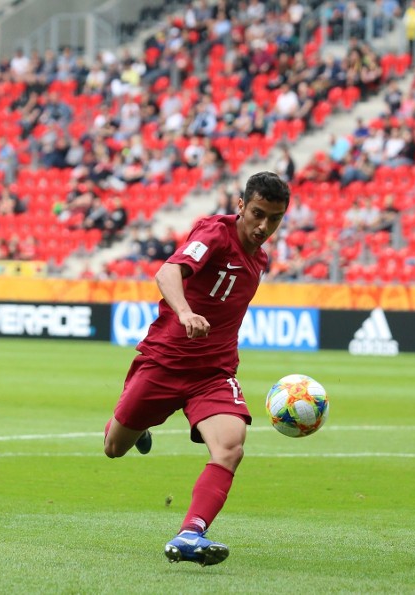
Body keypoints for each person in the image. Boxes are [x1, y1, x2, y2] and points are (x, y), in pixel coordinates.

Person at [102, 171, 291, 565]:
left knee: (230, 447)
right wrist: (185, 312)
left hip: (214, 373)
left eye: (274, 218)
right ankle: (139, 428)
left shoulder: (260, 258)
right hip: (164, 362)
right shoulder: (215, 234)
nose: (264, 226)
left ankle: (190, 534)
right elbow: (167, 271)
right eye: (257, 213)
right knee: (114, 447)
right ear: (240, 205)